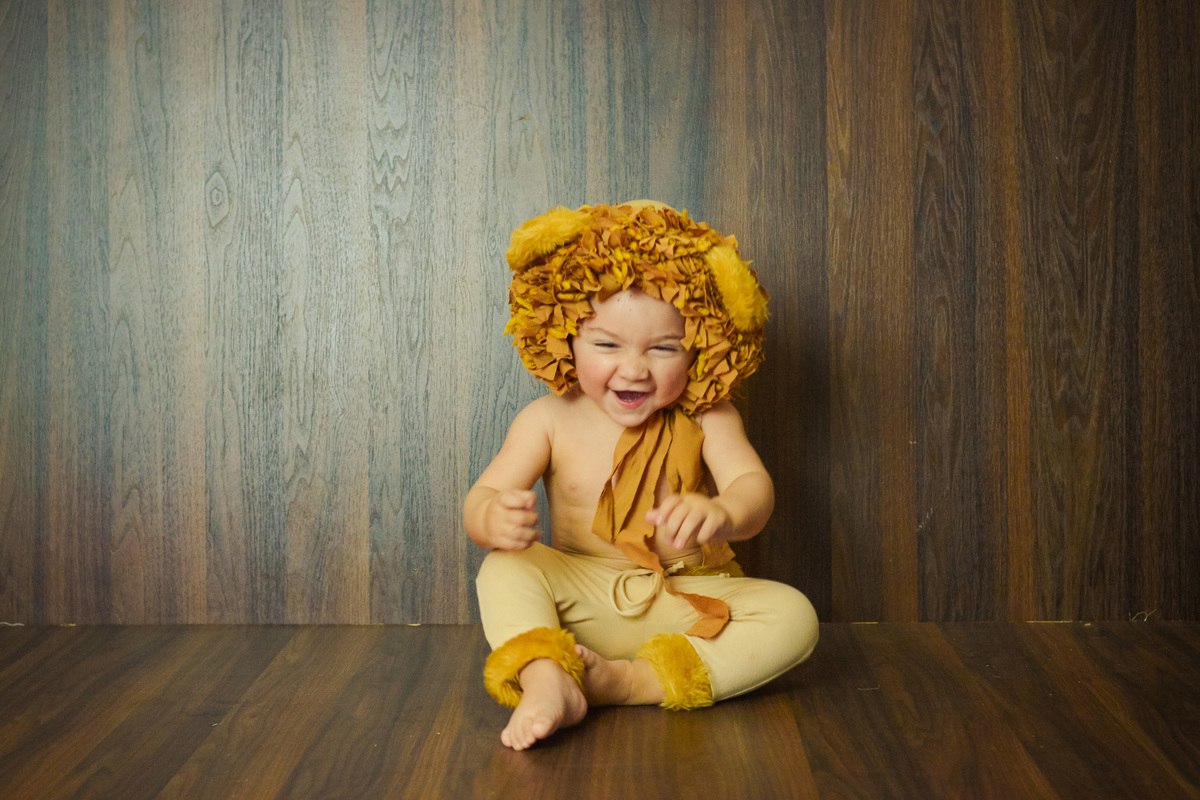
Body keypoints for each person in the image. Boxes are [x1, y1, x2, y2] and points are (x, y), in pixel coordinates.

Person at [464, 201, 818, 750]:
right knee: (503, 568)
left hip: (685, 603)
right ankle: (546, 675)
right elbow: (484, 494)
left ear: (700, 345)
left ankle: (627, 684)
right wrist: (491, 516)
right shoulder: (548, 418)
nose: (633, 368)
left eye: (663, 348)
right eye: (607, 344)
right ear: (565, 336)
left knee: (795, 616)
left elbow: (755, 490)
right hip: (578, 603)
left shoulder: (710, 415)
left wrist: (723, 512)